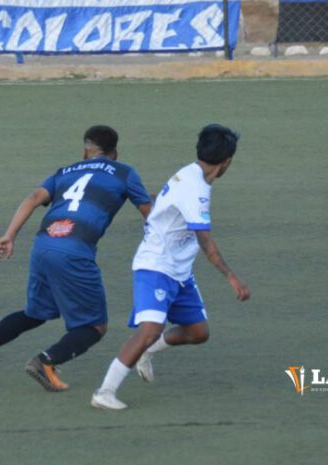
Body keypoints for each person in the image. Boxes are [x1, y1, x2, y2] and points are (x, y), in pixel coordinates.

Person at [0, 126, 151, 392]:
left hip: (43, 246)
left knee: (36, 312)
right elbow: (150, 214)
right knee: (94, 326)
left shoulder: (66, 171)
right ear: (114, 153)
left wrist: (9, 235)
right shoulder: (124, 172)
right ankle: (46, 362)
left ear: (85, 152)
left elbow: (34, 198)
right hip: (75, 252)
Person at [91, 124, 250, 410]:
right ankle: (105, 392)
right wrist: (232, 277)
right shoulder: (196, 189)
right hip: (155, 265)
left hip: (179, 270)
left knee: (198, 332)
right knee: (149, 330)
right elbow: (206, 243)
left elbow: (160, 199)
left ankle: (147, 350)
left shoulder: (189, 172)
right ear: (227, 161)